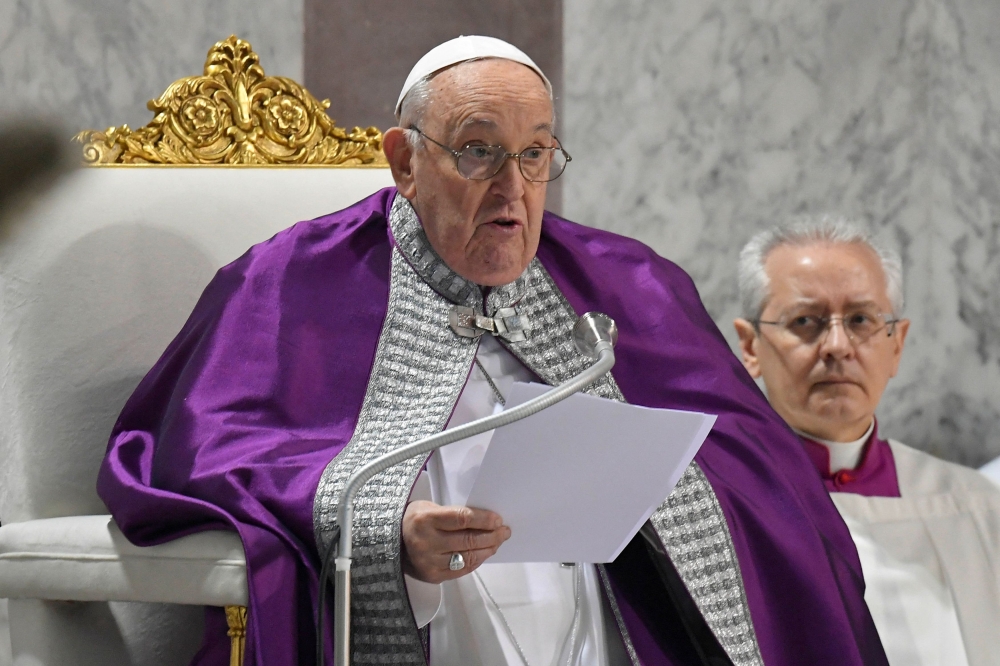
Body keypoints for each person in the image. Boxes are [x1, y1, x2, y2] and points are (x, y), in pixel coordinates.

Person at [98, 37, 887, 665]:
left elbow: (759, 465)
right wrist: (386, 528)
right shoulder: (285, 282)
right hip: (431, 608)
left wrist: (663, 488)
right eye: (478, 151)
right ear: (406, 161)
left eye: (536, 154)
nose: (514, 188)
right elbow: (200, 449)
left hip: (607, 605)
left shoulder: (630, 281)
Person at [733, 217, 1000, 666]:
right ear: (751, 346)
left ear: (897, 345)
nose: (837, 345)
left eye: (860, 319)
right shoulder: (722, 505)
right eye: (806, 321)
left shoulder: (975, 506)